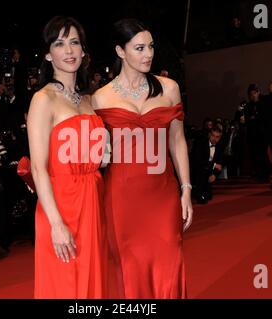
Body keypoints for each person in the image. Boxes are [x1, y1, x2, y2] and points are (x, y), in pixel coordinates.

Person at [92, 18, 193, 298]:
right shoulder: (100, 98)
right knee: (129, 270)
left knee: (169, 263)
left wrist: (186, 189)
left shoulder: (168, 88)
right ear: (120, 51)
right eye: (139, 48)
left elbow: (177, 140)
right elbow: (99, 153)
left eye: (150, 46)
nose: (148, 54)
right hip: (121, 198)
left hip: (163, 196)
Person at [27, 16, 107, 298]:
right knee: (64, 285)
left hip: (92, 202)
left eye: (74, 42)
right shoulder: (43, 99)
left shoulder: (89, 100)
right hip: (60, 205)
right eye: (59, 44)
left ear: (84, 51)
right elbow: (38, 168)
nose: (69, 50)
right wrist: (56, 223)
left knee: (91, 284)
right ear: (48, 54)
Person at [190, 126, 224, 204]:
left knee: (209, 196)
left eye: (217, 137)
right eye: (213, 136)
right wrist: (214, 165)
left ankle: (200, 191)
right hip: (197, 170)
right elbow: (198, 161)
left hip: (209, 171)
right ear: (209, 135)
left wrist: (214, 175)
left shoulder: (220, 146)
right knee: (202, 199)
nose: (214, 139)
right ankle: (197, 191)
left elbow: (220, 163)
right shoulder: (200, 143)